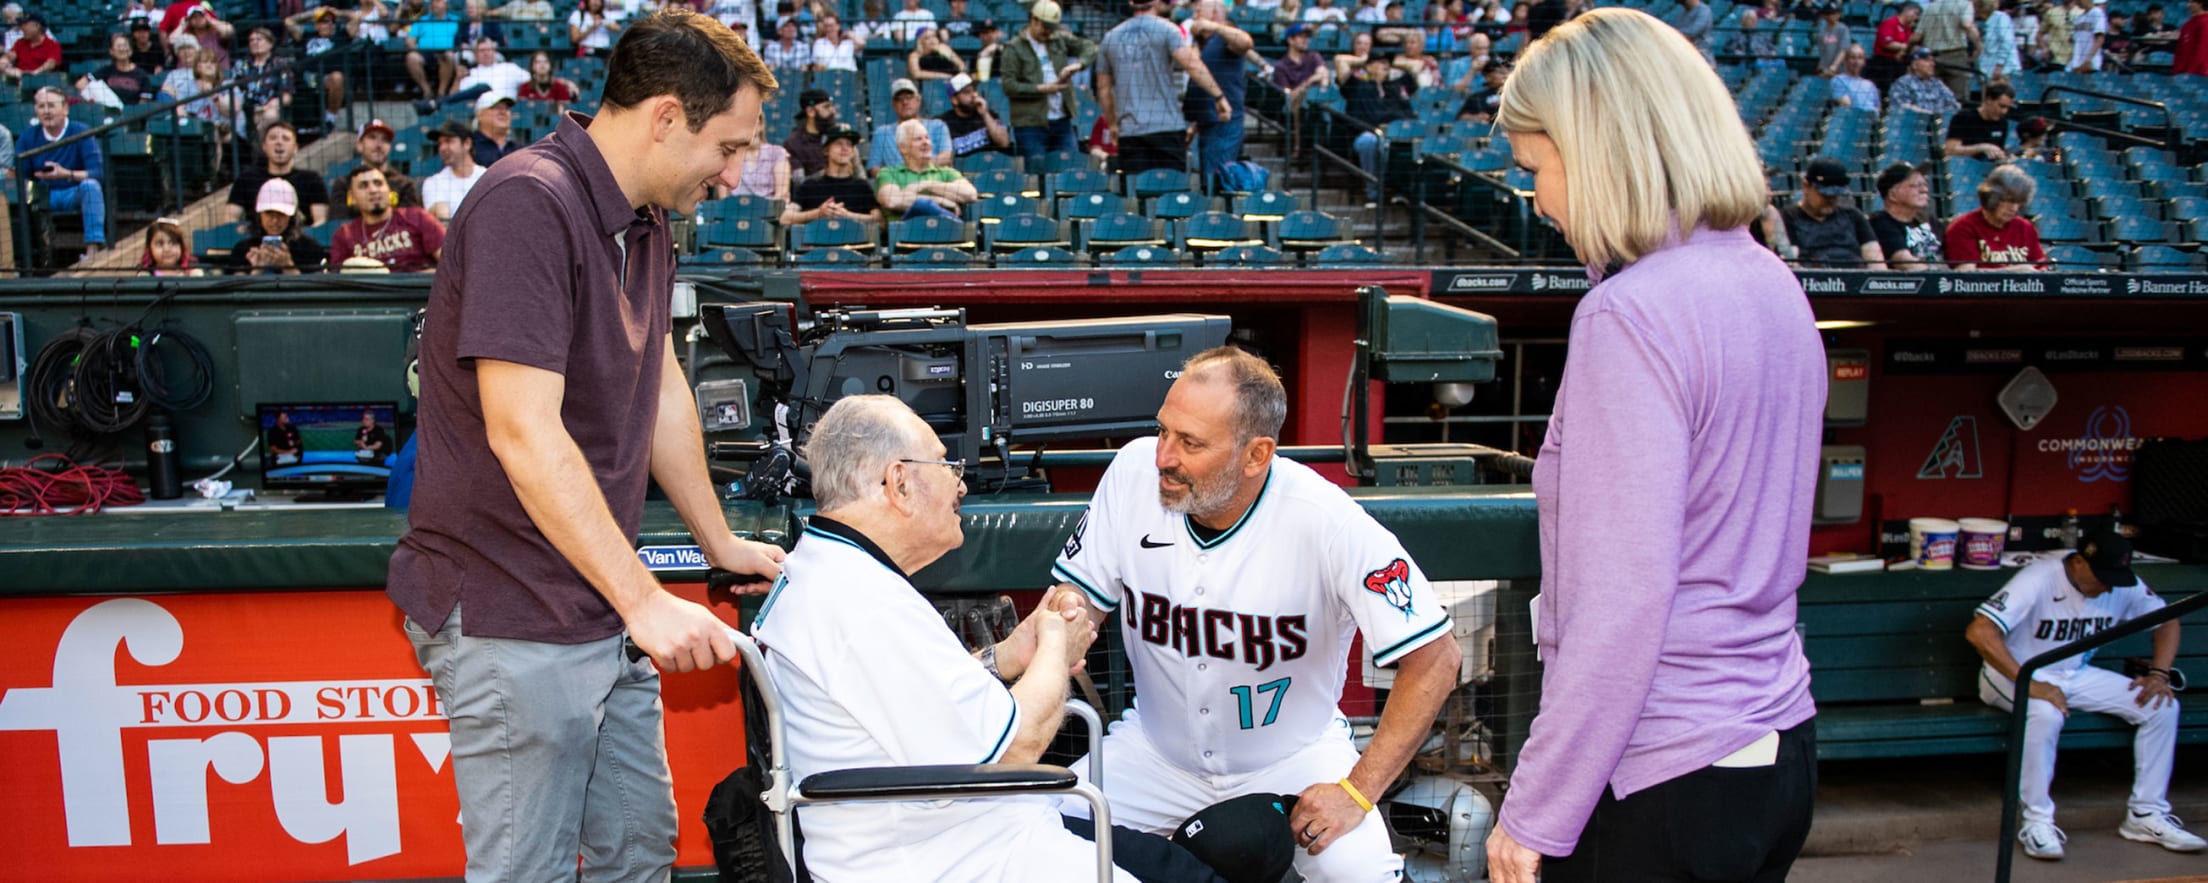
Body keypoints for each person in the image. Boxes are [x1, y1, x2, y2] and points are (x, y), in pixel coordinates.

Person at [388, 10, 786, 880]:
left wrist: (716, 540)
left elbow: (662, 389)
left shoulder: (645, 217)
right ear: (667, 117)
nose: (731, 171)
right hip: (510, 606)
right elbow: (524, 430)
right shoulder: (528, 202)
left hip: (593, 605)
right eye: (727, 145)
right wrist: (644, 600)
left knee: (638, 849)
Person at [1483, 11, 1823, 882]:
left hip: (1660, 770)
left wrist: (1534, 813)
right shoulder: (1774, 281)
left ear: (1596, 147)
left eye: (1537, 168)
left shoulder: (1629, 313)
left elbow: (1619, 604)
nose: (1539, 200)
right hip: (1778, 742)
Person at [1048, 346, 1461, 883]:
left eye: (1190, 442)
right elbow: (1072, 603)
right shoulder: (1131, 475)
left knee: (1359, 874)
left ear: (1256, 454)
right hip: (1153, 756)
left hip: (1293, 758)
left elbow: (1436, 658)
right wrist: (1068, 621)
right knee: (1033, 827)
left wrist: (1358, 792)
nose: (1164, 456)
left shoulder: (1327, 520)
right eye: (1163, 431)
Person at [752, 395, 1204, 882]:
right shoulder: (860, 601)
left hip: (965, 835)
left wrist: (1008, 655)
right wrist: (1055, 648)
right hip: (960, 858)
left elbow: (912, 704)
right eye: (946, 464)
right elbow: (1014, 750)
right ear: (899, 483)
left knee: (1176, 867)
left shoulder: (832, 570)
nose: (961, 483)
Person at [1965, 529, 2206, 861]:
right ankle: (2036, 820)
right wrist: (2030, 684)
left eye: (2115, 577)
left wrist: (2159, 673)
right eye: (2102, 576)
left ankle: (2145, 814)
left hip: (2073, 674)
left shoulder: (2122, 583)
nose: (2108, 586)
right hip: (2010, 674)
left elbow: (2167, 621)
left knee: (2161, 706)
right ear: (2078, 561)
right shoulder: (2039, 578)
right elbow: (1980, 630)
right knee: (2044, 713)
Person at [1097, 0, 1230, 176]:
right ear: (1157, 2)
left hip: (1130, 130)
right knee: (1172, 193)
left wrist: (1113, 125)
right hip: (1166, 127)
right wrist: (1219, 96)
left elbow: (1104, 89)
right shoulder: (1168, 29)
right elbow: (1192, 65)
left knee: (1136, 193)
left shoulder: (1110, 37)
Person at [17, 88, 108, 255]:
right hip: (43, 195)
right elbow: (21, 175)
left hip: (73, 192)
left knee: (91, 186)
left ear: (65, 108)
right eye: (41, 106)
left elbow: (98, 173)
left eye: (51, 105)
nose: (46, 111)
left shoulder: (81, 131)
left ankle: (93, 250)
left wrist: (66, 174)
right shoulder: (28, 136)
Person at [999, 0, 1095, 160]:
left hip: (1062, 122)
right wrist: (1043, 89)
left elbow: (1090, 47)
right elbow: (1009, 86)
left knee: (1070, 166)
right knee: (1036, 174)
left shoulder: (1058, 39)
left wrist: (1078, 65)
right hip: (1031, 125)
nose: (1048, 32)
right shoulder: (1013, 48)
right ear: (1033, 19)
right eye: (1045, 27)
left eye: (1052, 27)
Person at [1184, 0, 1253, 182]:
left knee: (1217, 182)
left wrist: (1213, 25)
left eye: (1198, 11)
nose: (1194, 17)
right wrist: (1195, 125)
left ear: (1214, 12)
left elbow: (1246, 42)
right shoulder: (1207, 42)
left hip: (1225, 123)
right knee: (1208, 181)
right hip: (1207, 122)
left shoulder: (1225, 35)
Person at [330, 165, 445, 271]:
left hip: (419, 290)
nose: (374, 190)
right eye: (364, 186)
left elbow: (452, 262)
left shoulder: (418, 217)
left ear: (389, 190)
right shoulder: (344, 235)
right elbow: (338, 281)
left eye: (378, 183)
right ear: (352, 198)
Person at [1780, 157, 1887, 269]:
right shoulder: (1788, 218)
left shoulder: (1853, 216)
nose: (1831, 200)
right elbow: (1792, 265)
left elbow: (1875, 261)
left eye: (1835, 195)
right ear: (1806, 186)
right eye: (1824, 195)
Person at [1342, 52, 1415, 208]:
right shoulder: (1357, 85)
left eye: (1387, 63)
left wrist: (1393, 63)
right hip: (1367, 133)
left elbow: (1416, 66)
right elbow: (1340, 61)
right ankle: (1373, 194)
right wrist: (1365, 62)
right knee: (1369, 142)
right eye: (1380, 62)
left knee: (1405, 143)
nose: (1385, 65)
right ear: (1368, 66)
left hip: (1395, 135)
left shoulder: (1394, 87)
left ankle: (1400, 192)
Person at [1944, 163, 2046, 269]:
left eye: (2018, 202)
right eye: (2008, 201)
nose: (2014, 208)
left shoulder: (2025, 228)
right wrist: (2014, 272)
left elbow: (2041, 267)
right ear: (1991, 197)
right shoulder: (1963, 227)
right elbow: (1965, 274)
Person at [228, 122, 331, 228]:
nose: (279, 142)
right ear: (264, 146)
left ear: (295, 148)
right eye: (273, 138)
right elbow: (230, 219)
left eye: (286, 139)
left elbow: (320, 221)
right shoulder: (246, 179)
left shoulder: (311, 180)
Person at [875, 117, 977, 220]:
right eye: (918, 139)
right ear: (903, 148)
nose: (926, 142)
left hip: (944, 233)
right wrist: (940, 201)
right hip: (907, 233)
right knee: (922, 205)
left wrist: (927, 185)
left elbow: (971, 194)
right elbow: (891, 201)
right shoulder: (889, 173)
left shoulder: (946, 172)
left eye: (927, 138)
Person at [781, 122, 880, 223]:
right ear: (826, 151)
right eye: (838, 143)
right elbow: (785, 218)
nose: (845, 148)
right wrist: (818, 213)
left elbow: (880, 220)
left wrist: (847, 215)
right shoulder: (811, 185)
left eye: (849, 144)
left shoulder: (861, 186)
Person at [227, 178, 328, 274]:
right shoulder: (243, 250)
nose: (275, 220)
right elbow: (236, 290)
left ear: (292, 216)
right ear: (259, 214)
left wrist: (288, 266)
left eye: (281, 214)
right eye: (269, 213)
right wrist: (257, 270)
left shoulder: (309, 249)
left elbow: (313, 289)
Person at [333, 118, 424, 218]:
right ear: (359, 145)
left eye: (385, 139)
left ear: (389, 147)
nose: (379, 145)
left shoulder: (405, 185)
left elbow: (410, 222)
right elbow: (338, 222)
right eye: (372, 137)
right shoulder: (344, 183)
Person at [1866, 162, 1944, 270]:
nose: (1924, 190)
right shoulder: (1880, 223)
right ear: (1893, 195)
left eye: (1925, 184)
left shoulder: (1931, 222)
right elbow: (1904, 263)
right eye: (1915, 186)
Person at [868, 78, 953, 172]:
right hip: (898, 184)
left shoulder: (938, 126)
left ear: (918, 101)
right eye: (899, 99)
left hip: (933, 180)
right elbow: (874, 168)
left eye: (909, 97)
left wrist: (916, 171)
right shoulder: (882, 133)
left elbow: (946, 156)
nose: (905, 102)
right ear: (894, 105)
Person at [423, 121, 487, 221]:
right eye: (440, 143)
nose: (442, 148)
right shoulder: (433, 183)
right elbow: (442, 223)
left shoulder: (487, 177)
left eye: (448, 141)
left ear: (467, 143)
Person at [1916, 0, 1979, 101]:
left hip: (1932, 58)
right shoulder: (1964, 4)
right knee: (1958, 99)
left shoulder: (1930, 7)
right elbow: (1967, 24)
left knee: (1932, 99)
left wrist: (1906, 50)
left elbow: (1917, 37)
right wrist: (1978, 45)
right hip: (1955, 57)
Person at [938, 73, 1010, 158]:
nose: (974, 95)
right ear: (954, 100)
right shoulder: (943, 124)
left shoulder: (988, 115)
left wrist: (985, 114)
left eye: (974, 90)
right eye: (967, 92)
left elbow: (1004, 143)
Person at [404, 0, 465, 99]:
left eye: (438, 2)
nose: (434, 4)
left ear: (446, 4)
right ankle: (427, 91)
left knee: (448, 56)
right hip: (424, 53)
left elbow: (462, 40)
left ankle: (441, 92)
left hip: (447, 52)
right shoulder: (422, 20)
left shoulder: (456, 20)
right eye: (432, 2)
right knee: (411, 57)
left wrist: (453, 49)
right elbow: (409, 40)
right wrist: (414, 48)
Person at [1944, 80, 2016, 160]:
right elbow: (1950, 150)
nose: (2004, 111)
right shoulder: (1964, 117)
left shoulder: (2002, 123)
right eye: (2001, 106)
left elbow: (1999, 152)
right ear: (1988, 100)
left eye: (2007, 108)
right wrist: (1981, 148)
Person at [1890, 46, 1961, 114]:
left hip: (1936, 124)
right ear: (1914, 65)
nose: (1932, 64)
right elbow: (1902, 108)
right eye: (1927, 60)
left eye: (1933, 60)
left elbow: (1954, 105)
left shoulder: (1937, 83)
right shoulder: (1903, 83)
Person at [783, 87, 837, 176]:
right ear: (810, 111)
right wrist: (831, 173)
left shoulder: (837, 136)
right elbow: (799, 182)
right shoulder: (793, 144)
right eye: (826, 107)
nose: (833, 111)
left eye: (832, 106)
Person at [94, 32, 158, 105]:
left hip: (134, 115)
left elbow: (143, 104)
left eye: (124, 45)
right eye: (118, 46)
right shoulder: (105, 71)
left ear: (130, 51)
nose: (122, 49)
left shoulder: (141, 75)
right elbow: (81, 84)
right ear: (111, 51)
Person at [1868, 2, 1919, 87]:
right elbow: (1888, 44)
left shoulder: (1908, 29)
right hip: (1884, 63)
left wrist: (1905, 50)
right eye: (1915, 13)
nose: (1916, 17)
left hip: (1900, 62)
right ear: (1906, 11)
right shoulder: (1889, 23)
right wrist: (1906, 47)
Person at [472, 91, 522, 167]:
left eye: (507, 108)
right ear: (479, 115)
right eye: (496, 107)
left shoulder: (520, 150)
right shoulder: (469, 147)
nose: (503, 112)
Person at [2, 14, 59, 78]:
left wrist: (34, 73)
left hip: (43, 80)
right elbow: (7, 58)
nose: (22, 28)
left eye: (25, 25)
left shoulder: (52, 45)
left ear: (37, 26)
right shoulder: (20, 43)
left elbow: (50, 64)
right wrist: (10, 70)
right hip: (19, 79)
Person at [1831, 43, 1883, 111]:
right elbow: (1846, 106)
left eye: (1860, 58)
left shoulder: (1870, 84)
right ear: (1845, 60)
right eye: (1853, 58)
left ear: (1864, 61)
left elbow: (1878, 108)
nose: (1857, 62)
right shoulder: (1838, 80)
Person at [1981, 0, 2021, 78]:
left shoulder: (2001, 18)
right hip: (1988, 70)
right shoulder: (1987, 21)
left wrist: (2000, 65)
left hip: (2003, 71)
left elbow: (2007, 43)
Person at [2067, 0, 2106, 71]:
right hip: (2076, 64)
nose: (2076, 2)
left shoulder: (2097, 12)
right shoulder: (2078, 18)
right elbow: (2073, 42)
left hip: (2091, 64)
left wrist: (2088, 60)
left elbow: (2100, 39)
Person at [1815, 2, 1850, 75]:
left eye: (1835, 13)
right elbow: (1822, 52)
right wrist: (1821, 66)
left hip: (1840, 69)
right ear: (1824, 15)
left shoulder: (1843, 29)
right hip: (1825, 68)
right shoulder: (1821, 31)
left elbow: (1844, 50)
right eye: (1829, 13)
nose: (1832, 16)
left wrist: (1834, 66)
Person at [2180, 0, 2208, 76]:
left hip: (2200, 71)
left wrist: (2191, 71)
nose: (2188, 5)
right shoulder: (2187, 24)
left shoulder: (2205, 22)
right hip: (2185, 69)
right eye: (2188, 2)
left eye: (2192, 2)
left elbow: (2202, 49)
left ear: (2200, 4)